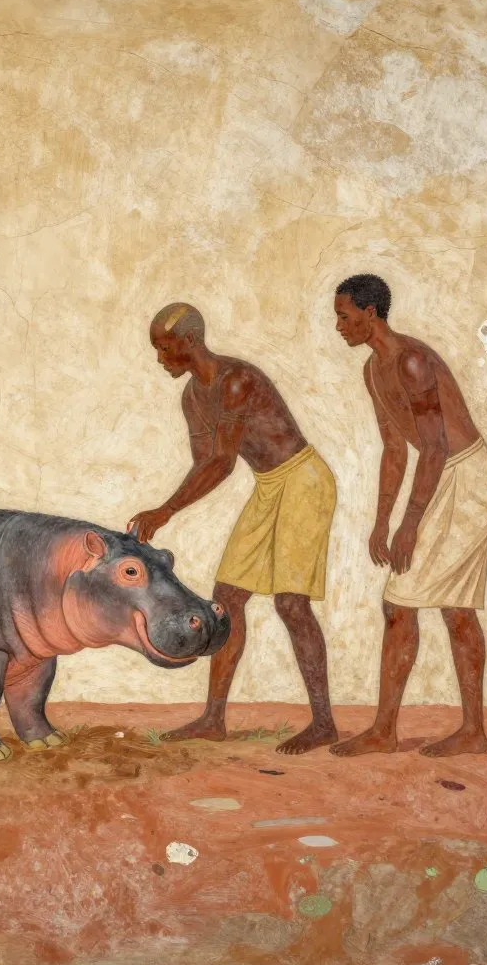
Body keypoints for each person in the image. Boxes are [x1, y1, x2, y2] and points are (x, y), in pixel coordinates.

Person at [127, 302, 339, 755]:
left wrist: (164, 511)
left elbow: (222, 464)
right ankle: (213, 719)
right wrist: (163, 511)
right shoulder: (191, 398)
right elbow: (205, 463)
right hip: (270, 485)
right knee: (226, 598)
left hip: (304, 479)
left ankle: (324, 723)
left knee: (291, 603)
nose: (160, 358)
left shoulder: (236, 380)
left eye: (164, 348)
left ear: (190, 341)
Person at [331, 274, 487, 758]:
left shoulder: (410, 361)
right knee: (442, 606)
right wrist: (381, 521)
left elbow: (435, 446)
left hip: (467, 478)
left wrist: (409, 525)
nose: (338, 326)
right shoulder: (372, 370)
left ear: (370, 313)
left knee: (406, 603)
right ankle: (427, 730)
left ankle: (399, 731)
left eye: (344, 316)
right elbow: (394, 449)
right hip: (445, 475)